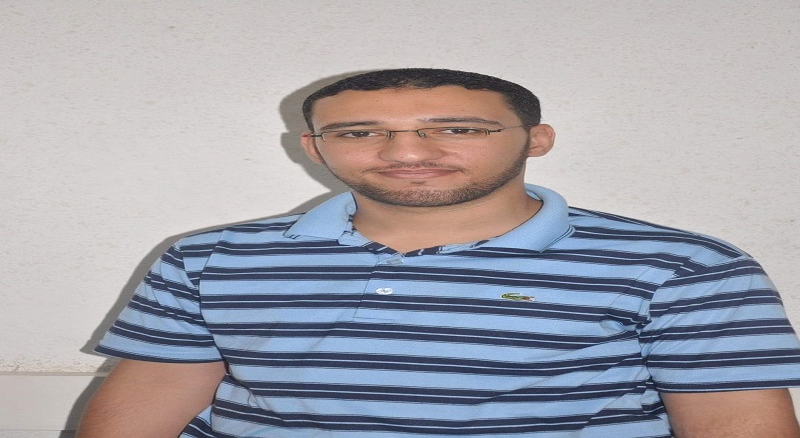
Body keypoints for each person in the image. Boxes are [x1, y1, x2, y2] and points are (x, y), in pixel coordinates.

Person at [77, 68, 800, 438]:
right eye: (358, 132)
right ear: (314, 148)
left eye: (457, 128)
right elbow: (148, 401)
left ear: (537, 139)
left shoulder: (683, 267)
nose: (405, 152)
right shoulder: (210, 258)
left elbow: (733, 424)